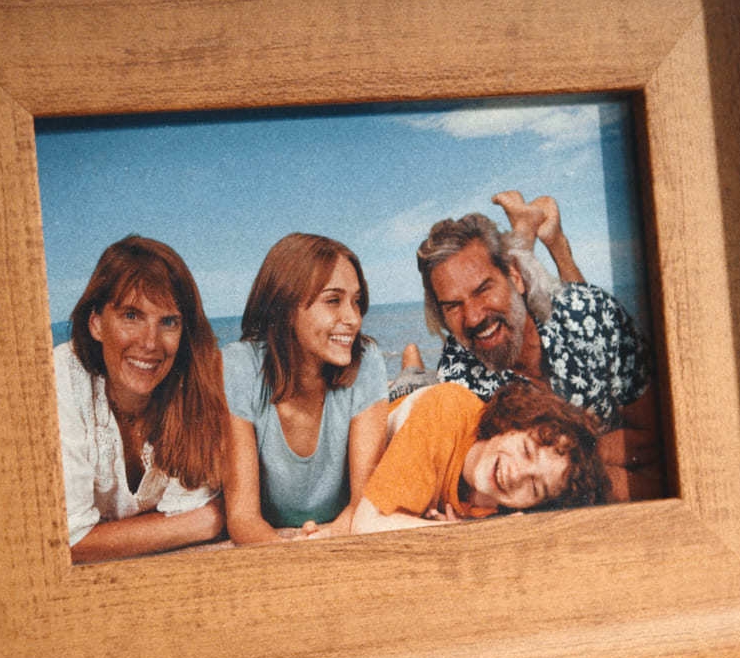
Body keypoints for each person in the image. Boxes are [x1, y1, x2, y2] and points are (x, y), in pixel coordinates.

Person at [415, 194, 660, 498]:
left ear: (515, 277)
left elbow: (653, 433)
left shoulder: (589, 315)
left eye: (483, 289)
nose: (473, 316)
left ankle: (546, 240)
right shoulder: (457, 384)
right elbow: (490, 492)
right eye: (453, 306)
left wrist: (575, 462)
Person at [57, 236, 229, 562]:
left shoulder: (196, 386)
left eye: (168, 322)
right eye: (131, 316)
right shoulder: (63, 378)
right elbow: (67, 540)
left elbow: (188, 505)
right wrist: (207, 521)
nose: (150, 343)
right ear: (96, 323)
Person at [222, 234, 388, 543]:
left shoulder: (366, 360)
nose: (353, 318)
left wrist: (325, 539)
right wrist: (288, 556)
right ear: (285, 308)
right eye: (333, 300)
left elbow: (362, 504)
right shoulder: (239, 365)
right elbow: (242, 517)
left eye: (356, 301)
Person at [352, 381, 604, 533]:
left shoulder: (497, 509)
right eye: (526, 451)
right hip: (403, 406)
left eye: (535, 487)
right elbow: (364, 525)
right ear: (510, 423)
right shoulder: (444, 409)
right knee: (409, 382)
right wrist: (459, 533)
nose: (516, 475)